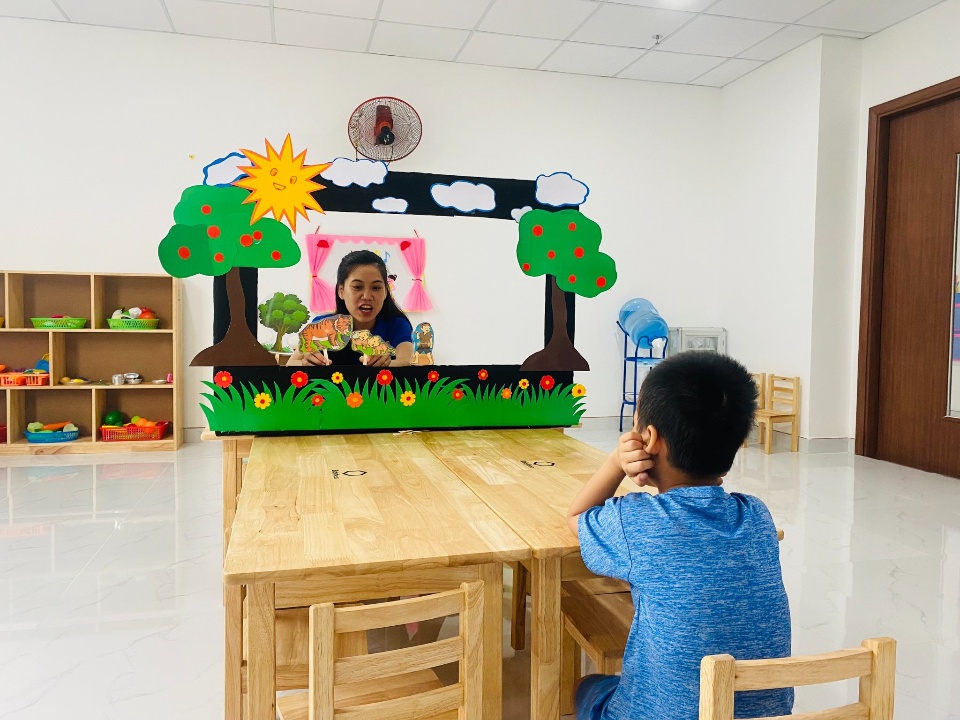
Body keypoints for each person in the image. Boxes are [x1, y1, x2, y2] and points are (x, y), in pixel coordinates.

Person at [566, 352, 793, 720]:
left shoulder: (636, 521)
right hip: (767, 716)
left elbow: (576, 517)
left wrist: (615, 463)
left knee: (587, 686)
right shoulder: (757, 516)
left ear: (649, 439)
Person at [289, 250, 413, 368]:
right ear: (341, 291)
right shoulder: (322, 324)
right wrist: (306, 364)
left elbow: (406, 361)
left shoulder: (396, 324)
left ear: (386, 292)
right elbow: (291, 363)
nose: (367, 296)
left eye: (376, 287)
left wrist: (386, 364)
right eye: (357, 287)